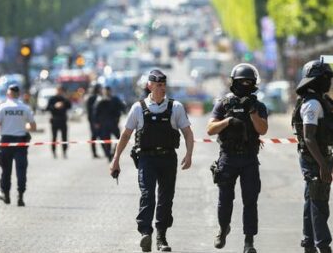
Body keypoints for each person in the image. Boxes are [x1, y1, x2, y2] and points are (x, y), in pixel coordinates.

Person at [110, 69, 194, 252]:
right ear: (149, 86)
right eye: (158, 85)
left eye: (163, 85)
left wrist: (189, 154)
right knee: (147, 195)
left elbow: (187, 132)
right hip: (146, 159)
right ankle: (145, 233)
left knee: (166, 198)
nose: (161, 89)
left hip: (168, 158)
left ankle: (161, 238)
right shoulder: (138, 108)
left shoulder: (176, 107)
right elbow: (125, 135)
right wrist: (116, 159)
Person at [207, 63, 268, 253]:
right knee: (225, 199)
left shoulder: (258, 105)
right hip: (228, 158)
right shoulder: (224, 103)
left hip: (249, 158)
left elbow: (263, 130)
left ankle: (249, 241)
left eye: (249, 82)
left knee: (250, 201)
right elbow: (210, 129)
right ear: (234, 82)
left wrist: (252, 113)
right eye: (242, 82)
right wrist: (228, 121)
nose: (246, 85)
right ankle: (223, 229)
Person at [292, 59, 333, 253]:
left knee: (311, 200)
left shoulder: (320, 101)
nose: (328, 81)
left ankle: (309, 243)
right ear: (314, 80)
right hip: (314, 160)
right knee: (319, 204)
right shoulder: (312, 104)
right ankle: (323, 246)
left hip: (320, 157)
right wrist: (323, 165)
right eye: (324, 78)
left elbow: (321, 140)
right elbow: (309, 138)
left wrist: (332, 163)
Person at [0, 84, 36, 206]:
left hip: (6, 141)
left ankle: (5, 193)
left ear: (8, 94)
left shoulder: (2, 107)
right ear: (18, 94)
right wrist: (23, 126)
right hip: (21, 141)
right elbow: (33, 127)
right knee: (21, 170)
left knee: (6, 170)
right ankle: (20, 195)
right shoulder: (25, 108)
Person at [94, 86, 126, 161]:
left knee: (119, 138)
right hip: (104, 124)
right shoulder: (100, 100)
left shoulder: (115, 99)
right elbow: (95, 111)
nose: (107, 92)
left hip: (113, 123)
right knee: (106, 140)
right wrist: (96, 122)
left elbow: (122, 106)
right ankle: (108, 155)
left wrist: (123, 111)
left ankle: (114, 152)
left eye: (108, 91)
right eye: (105, 91)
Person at [46, 85, 71, 158]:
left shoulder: (64, 99)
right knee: (54, 137)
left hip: (63, 120)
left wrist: (65, 102)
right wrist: (55, 106)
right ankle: (54, 152)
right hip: (55, 120)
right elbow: (47, 108)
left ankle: (64, 152)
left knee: (64, 138)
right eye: (58, 90)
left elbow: (69, 106)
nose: (59, 91)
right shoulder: (52, 99)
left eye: (61, 90)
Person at [86, 83, 102, 158]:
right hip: (94, 121)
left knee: (102, 136)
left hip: (100, 120)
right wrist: (93, 122)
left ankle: (106, 152)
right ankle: (94, 153)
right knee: (94, 136)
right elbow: (90, 111)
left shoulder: (100, 97)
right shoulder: (92, 98)